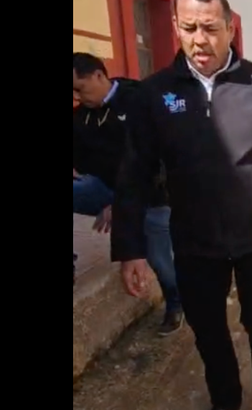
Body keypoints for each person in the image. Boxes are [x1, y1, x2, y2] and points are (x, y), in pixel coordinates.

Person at [111, 0, 252, 410]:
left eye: (211, 28)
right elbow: (133, 175)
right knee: (208, 329)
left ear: (230, 29)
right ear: (176, 27)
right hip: (194, 239)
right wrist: (129, 248)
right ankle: (225, 397)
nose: (200, 40)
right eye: (189, 28)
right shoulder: (155, 94)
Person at [72, 52, 183, 336]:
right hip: (109, 191)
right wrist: (112, 200)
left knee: (162, 262)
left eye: (79, 88)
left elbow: (158, 164)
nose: (77, 96)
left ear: (99, 75)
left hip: (153, 195)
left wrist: (121, 204)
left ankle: (175, 304)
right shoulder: (81, 118)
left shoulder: (140, 101)